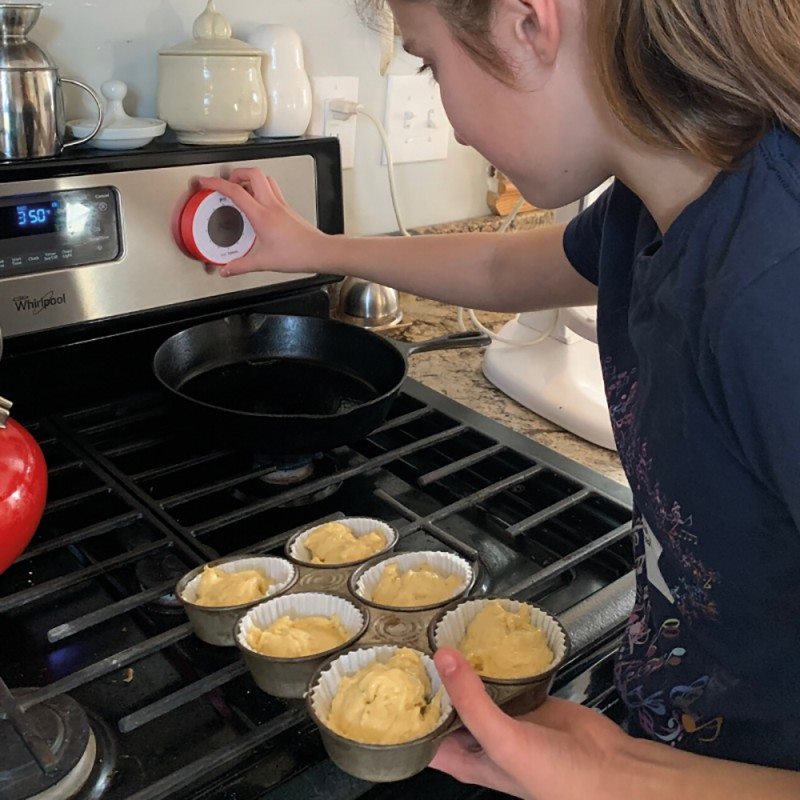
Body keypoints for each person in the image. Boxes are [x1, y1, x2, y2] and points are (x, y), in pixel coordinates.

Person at [199, 0, 800, 796]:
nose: (450, 120)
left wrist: (611, 778)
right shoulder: (653, 201)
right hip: (688, 736)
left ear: (528, 24)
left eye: (428, 60)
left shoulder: (772, 289)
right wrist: (309, 247)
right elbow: (499, 273)